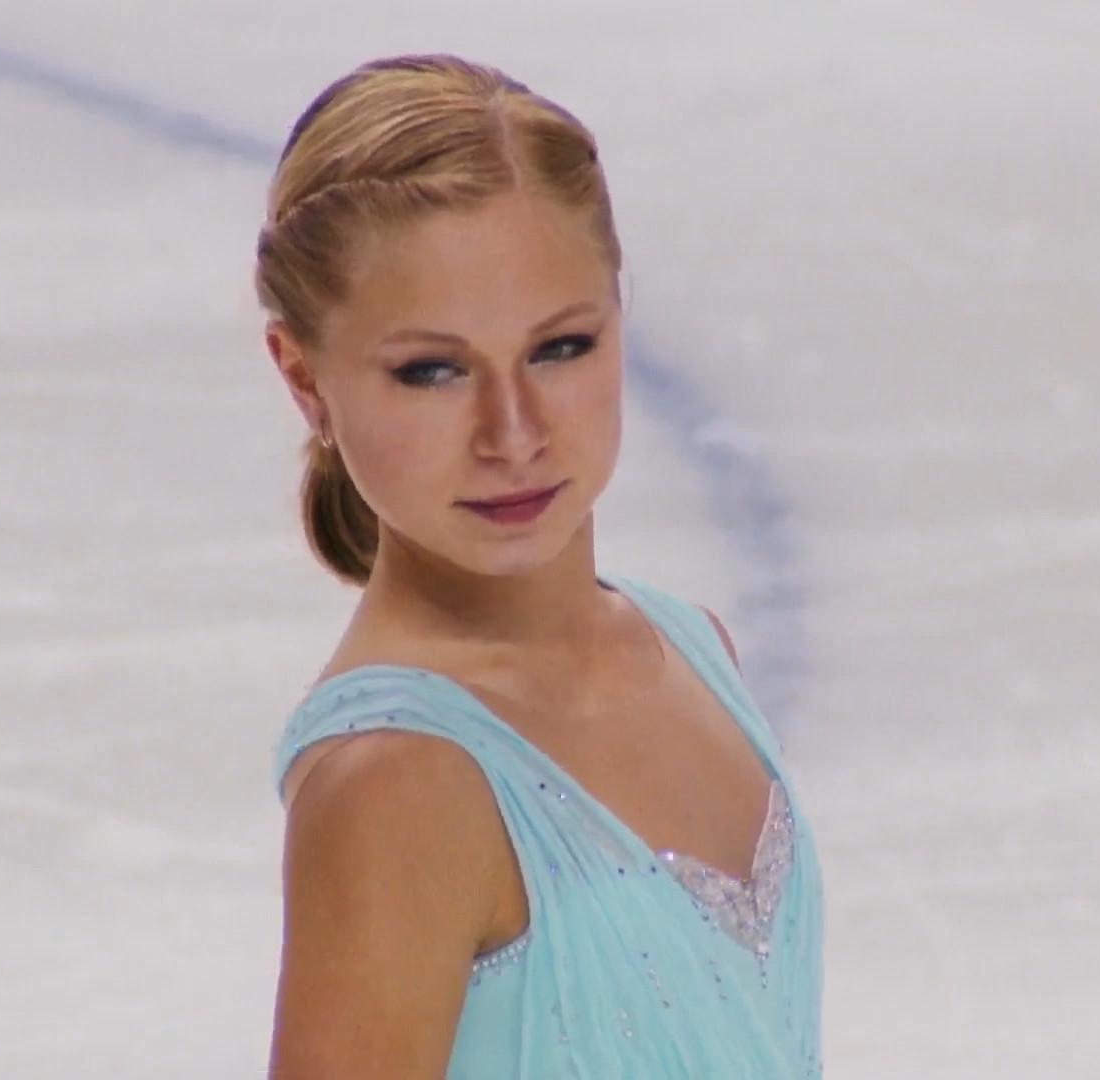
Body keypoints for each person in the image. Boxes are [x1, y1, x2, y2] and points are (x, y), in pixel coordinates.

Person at [260, 54, 824, 1078]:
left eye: (560, 348)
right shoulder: (397, 780)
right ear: (305, 379)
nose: (512, 434)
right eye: (432, 372)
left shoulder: (696, 651)